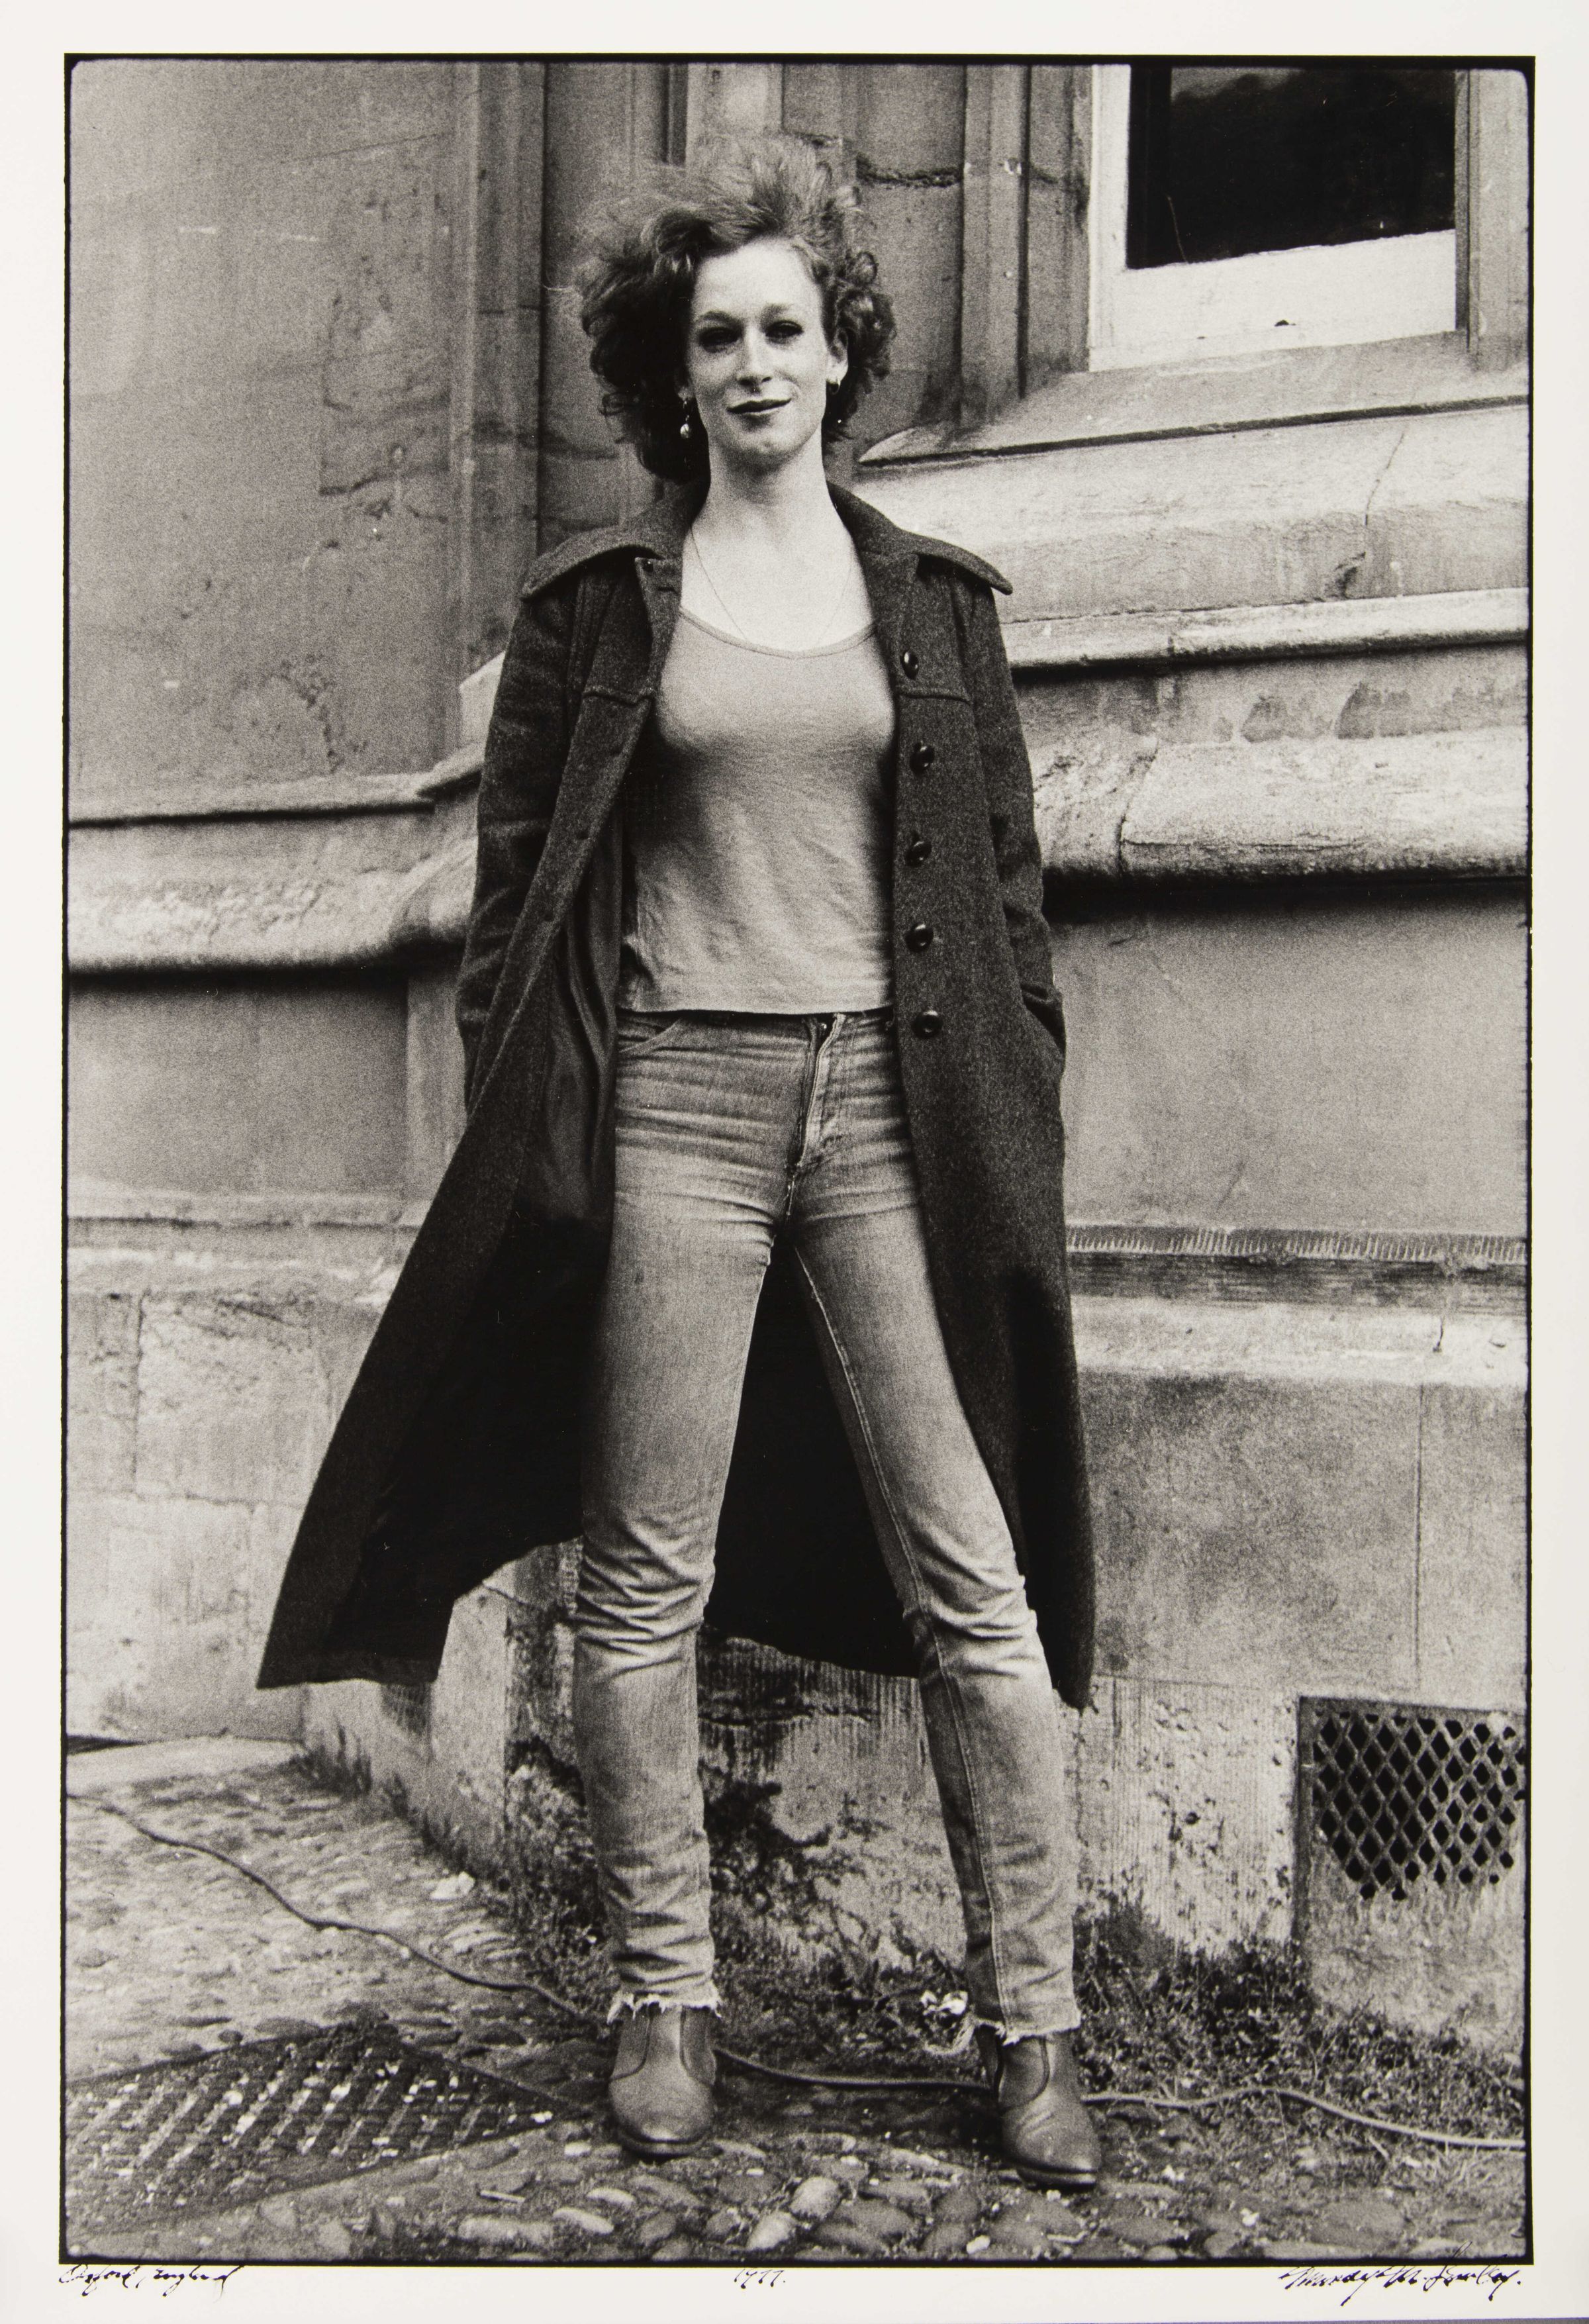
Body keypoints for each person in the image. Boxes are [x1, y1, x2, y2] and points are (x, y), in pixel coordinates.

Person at [258, 135, 1098, 2190]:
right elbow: (513, 919)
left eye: (786, 328)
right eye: (717, 335)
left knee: (977, 1577)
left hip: (888, 1113)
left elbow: (1006, 904)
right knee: (646, 1580)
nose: (755, 364)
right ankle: (664, 1996)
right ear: (675, 364)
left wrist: (1018, 1104)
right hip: (676, 1110)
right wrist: (537, 1126)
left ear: (842, 348)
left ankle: (1041, 2029)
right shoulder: (600, 610)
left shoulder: (936, 609)